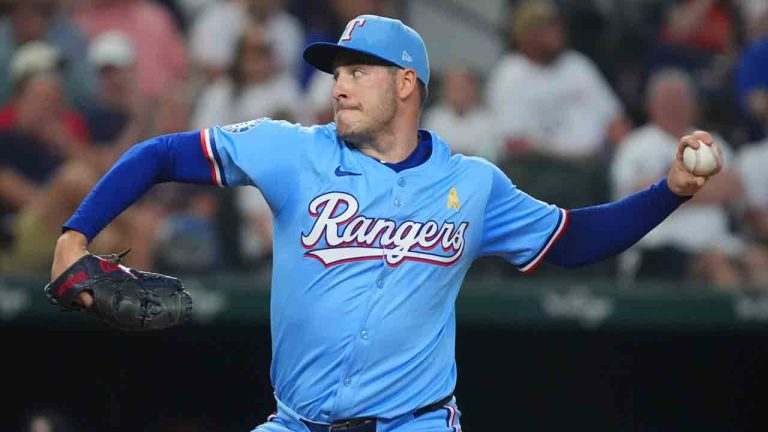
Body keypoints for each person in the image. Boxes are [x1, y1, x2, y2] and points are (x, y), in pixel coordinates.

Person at [50, 15, 722, 432]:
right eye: (337, 72)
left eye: (357, 72)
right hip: (298, 423)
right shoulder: (295, 151)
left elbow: (576, 239)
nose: (339, 85)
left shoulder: (473, 184)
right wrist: (75, 236)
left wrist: (670, 191)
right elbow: (159, 154)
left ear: (406, 83)